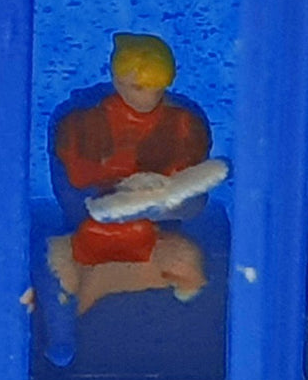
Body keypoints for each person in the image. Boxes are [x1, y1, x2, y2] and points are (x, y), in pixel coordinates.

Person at [54, 33, 210, 265]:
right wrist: (118, 189)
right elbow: (74, 187)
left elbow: (193, 188)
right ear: (117, 80)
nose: (149, 98)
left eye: (158, 89)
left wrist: (165, 192)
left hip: (162, 231)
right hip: (96, 228)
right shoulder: (81, 120)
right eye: (138, 88)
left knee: (184, 260)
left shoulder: (185, 121)